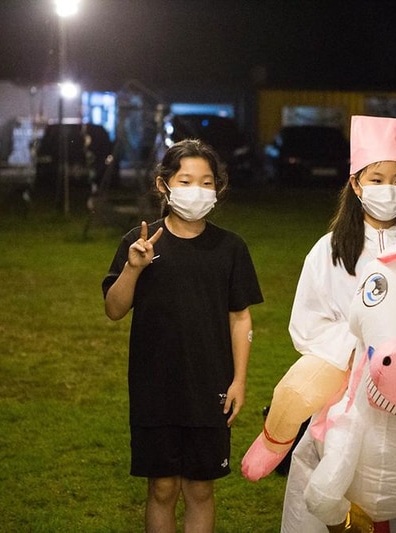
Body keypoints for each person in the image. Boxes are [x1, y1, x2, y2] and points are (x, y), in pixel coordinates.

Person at [279, 115, 396, 532]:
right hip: (345, 404)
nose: (389, 189)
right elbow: (307, 324)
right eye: (378, 177)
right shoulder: (330, 251)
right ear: (356, 183)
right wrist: (360, 354)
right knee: (334, 489)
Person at [102, 139, 263, 533]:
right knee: (161, 488)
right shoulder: (139, 243)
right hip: (154, 387)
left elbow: (240, 319)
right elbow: (114, 309)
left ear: (217, 189)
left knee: (200, 489)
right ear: (164, 185)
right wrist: (134, 268)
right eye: (186, 180)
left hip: (210, 387)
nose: (197, 190)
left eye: (206, 182)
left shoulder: (230, 247)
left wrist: (239, 381)